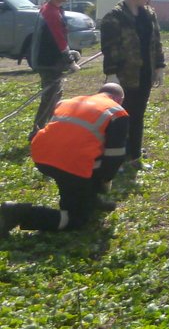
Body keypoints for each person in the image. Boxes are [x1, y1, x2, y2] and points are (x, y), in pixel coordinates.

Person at [1, 83, 128, 235]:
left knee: (82, 172)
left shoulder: (68, 102)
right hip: (70, 163)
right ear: (118, 99)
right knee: (76, 220)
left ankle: (89, 200)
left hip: (42, 154)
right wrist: (106, 180)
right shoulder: (118, 113)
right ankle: (18, 213)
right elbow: (115, 155)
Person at [99, 0, 166, 170]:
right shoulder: (115, 17)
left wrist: (159, 67)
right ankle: (115, 158)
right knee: (120, 117)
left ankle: (134, 156)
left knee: (138, 116)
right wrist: (111, 73)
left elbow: (156, 41)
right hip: (123, 76)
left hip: (144, 74)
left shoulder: (149, 14)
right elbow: (109, 47)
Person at [29, 0, 80, 137]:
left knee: (55, 96)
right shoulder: (50, 12)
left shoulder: (55, 10)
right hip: (48, 62)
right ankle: (37, 132)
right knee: (50, 98)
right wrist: (70, 61)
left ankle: (47, 130)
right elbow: (58, 39)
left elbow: (60, 38)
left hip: (52, 61)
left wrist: (70, 52)